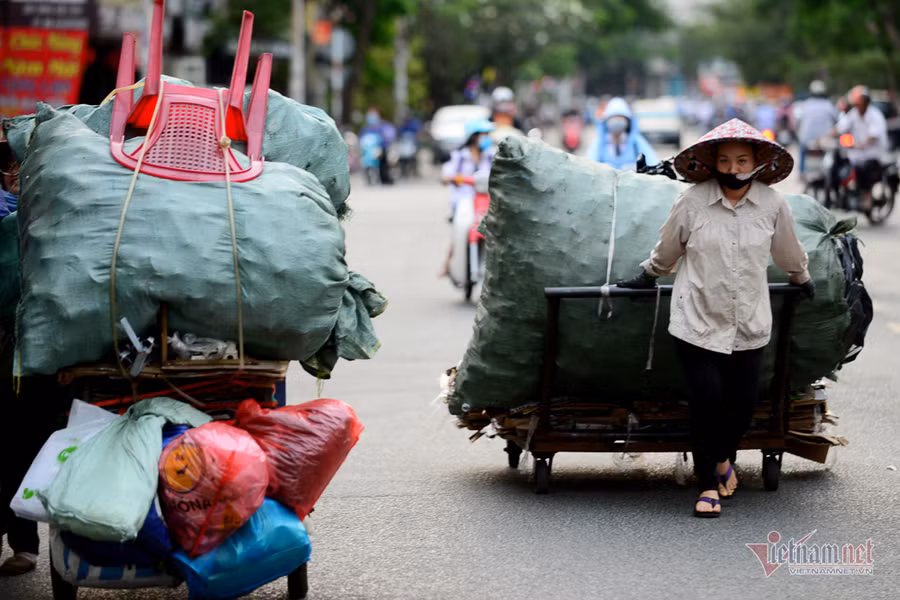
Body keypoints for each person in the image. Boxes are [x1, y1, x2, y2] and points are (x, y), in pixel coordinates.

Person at [617, 119, 815, 518]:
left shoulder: (773, 205)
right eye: (724, 160)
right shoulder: (692, 202)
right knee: (707, 401)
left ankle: (724, 457)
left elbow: (788, 251)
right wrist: (648, 274)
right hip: (697, 319)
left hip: (749, 323)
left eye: (742, 160)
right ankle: (707, 483)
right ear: (712, 164)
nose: (733, 168)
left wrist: (802, 277)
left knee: (741, 404)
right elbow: (668, 249)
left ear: (757, 163)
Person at [0, 140, 69, 575]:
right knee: (19, 444)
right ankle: (22, 542)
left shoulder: (60, 217)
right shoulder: (11, 223)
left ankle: (23, 541)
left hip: (44, 359)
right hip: (20, 353)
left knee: (25, 443)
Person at [440, 119, 494, 276]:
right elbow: (447, 173)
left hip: (486, 199)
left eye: (487, 134)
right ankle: (448, 262)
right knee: (460, 228)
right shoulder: (460, 156)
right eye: (482, 134)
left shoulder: (492, 155)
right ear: (473, 136)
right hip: (464, 200)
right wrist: (448, 178)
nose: (485, 138)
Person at [834, 85, 888, 211]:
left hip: (873, 154)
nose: (857, 106)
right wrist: (824, 137)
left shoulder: (875, 116)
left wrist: (861, 144)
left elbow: (873, 136)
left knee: (864, 170)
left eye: (859, 103)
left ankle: (867, 195)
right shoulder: (853, 114)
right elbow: (840, 128)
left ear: (866, 102)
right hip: (856, 154)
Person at [587, 97, 658, 170]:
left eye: (621, 117)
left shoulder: (636, 142)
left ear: (628, 121)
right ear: (606, 121)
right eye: (614, 118)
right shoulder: (600, 141)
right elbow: (590, 165)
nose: (617, 121)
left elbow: (652, 162)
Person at [796, 80, 838, 179]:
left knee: (802, 150)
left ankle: (801, 172)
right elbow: (836, 120)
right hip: (825, 140)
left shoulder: (805, 104)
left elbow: (798, 121)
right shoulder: (829, 105)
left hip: (807, 139)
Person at [359, 107, 397, 185]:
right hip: (368, 151)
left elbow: (389, 137)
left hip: (381, 150)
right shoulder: (366, 129)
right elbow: (362, 140)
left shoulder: (384, 126)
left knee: (383, 164)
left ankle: (385, 178)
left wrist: (381, 147)